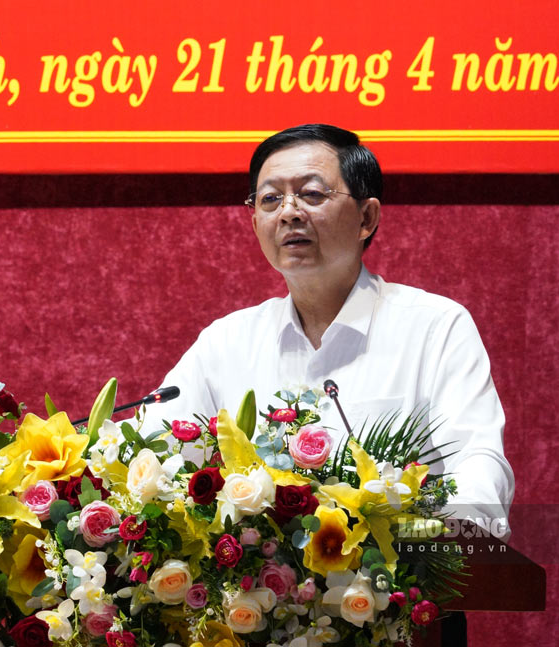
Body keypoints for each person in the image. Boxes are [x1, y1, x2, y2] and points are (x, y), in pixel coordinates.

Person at [145, 124, 514, 545]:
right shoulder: (226, 343)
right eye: (270, 199)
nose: (288, 212)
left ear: (366, 217)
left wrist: (436, 542)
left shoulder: (434, 327)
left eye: (312, 194)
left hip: (401, 594)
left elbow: (476, 462)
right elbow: (153, 451)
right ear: (254, 223)